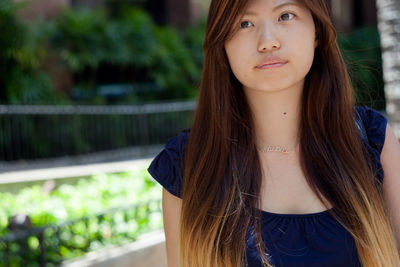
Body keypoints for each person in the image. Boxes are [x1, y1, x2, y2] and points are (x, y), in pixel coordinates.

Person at [147, 0, 400, 266]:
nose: (267, 41)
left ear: (317, 30)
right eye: (245, 23)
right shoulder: (188, 164)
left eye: (286, 15)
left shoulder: (372, 139)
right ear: (222, 42)